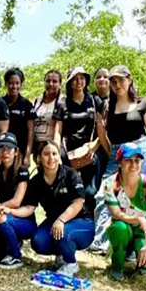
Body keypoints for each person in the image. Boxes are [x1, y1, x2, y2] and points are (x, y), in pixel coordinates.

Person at [91, 65, 146, 252]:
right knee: (104, 194)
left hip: (140, 151)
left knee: (139, 197)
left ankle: (141, 241)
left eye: (121, 80)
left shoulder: (143, 104)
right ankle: (101, 242)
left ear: (130, 80)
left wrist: (140, 157)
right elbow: (103, 134)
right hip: (117, 154)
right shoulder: (107, 106)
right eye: (113, 81)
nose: (117, 84)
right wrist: (113, 152)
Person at [10, 141, 94, 276]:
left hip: (81, 221)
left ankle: (71, 264)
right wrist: (11, 211)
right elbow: (29, 208)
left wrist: (61, 220)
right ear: (38, 158)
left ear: (59, 156)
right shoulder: (36, 181)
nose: (51, 158)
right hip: (54, 222)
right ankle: (62, 254)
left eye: (54, 154)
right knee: (38, 241)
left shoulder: (71, 174)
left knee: (62, 233)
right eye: (46, 154)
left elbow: (78, 203)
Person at [103, 142, 146, 281]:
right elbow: (117, 214)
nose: (134, 165)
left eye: (137, 161)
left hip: (144, 229)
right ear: (119, 162)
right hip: (123, 225)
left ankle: (141, 262)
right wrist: (139, 219)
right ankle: (117, 264)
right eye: (128, 160)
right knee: (119, 229)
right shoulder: (110, 184)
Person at [0, 133, 33, 269]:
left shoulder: (22, 171)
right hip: (4, 216)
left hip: (24, 220)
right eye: (1, 148)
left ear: (16, 151)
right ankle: (13, 242)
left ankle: (16, 257)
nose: (5, 152)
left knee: (2, 220)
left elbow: (16, 201)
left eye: (9, 148)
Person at [59, 67, 104, 203]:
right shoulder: (63, 103)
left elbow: (102, 127)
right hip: (68, 152)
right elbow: (57, 131)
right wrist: (59, 152)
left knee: (90, 191)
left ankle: (90, 221)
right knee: (69, 190)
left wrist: (94, 147)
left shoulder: (95, 101)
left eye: (82, 78)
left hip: (90, 151)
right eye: (75, 79)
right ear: (70, 82)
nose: (79, 82)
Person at [3, 68, 35, 167]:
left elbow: (31, 131)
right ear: (6, 84)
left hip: (20, 151)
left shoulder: (26, 104)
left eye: (17, 83)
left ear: (21, 84)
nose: (14, 86)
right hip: (3, 149)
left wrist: (27, 155)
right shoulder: (0, 103)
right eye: (11, 83)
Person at [32, 69, 64, 153]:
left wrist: (56, 151)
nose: (51, 84)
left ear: (60, 84)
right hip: (36, 146)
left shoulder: (62, 101)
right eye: (48, 81)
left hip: (50, 146)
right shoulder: (37, 101)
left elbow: (59, 130)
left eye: (55, 81)